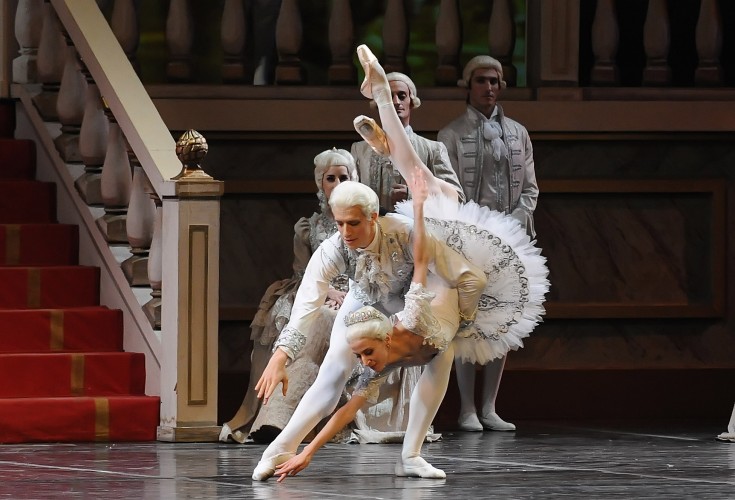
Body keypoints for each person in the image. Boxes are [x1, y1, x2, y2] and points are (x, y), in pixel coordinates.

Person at [251, 175, 486, 480]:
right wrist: (280, 357)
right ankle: (280, 449)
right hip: (364, 297)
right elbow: (306, 305)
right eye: (339, 223)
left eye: (353, 223)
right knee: (334, 369)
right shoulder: (332, 249)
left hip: (410, 298)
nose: (345, 232)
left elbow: (472, 278)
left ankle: (411, 456)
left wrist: (461, 321)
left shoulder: (404, 233)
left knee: (443, 350)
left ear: (373, 217)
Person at [218, 148, 357, 444]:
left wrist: (350, 294)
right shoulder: (310, 227)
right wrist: (327, 291)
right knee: (308, 321)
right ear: (321, 182)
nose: (337, 183)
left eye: (343, 177)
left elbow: (374, 271)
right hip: (320, 294)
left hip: (356, 300)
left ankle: (284, 422)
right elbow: (304, 272)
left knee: (325, 322)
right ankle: (274, 421)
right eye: (330, 178)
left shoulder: (368, 222)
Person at [437, 55, 540, 433]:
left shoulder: (518, 133)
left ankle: (489, 406)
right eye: (482, 80)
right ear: (469, 85)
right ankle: (465, 408)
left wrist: (516, 220)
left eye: (495, 81)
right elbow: (448, 190)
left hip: (510, 240)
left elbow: (530, 188)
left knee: (503, 321)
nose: (489, 87)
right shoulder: (450, 135)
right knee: (468, 325)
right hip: (470, 242)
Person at [350, 71, 464, 211]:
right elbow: (348, 195)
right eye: (389, 96)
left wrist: (412, 196)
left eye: (402, 96)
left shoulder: (432, 148)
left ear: (411, 101)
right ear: (378, 102)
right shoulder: (360, 149)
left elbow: (456, 198)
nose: (396, 102)